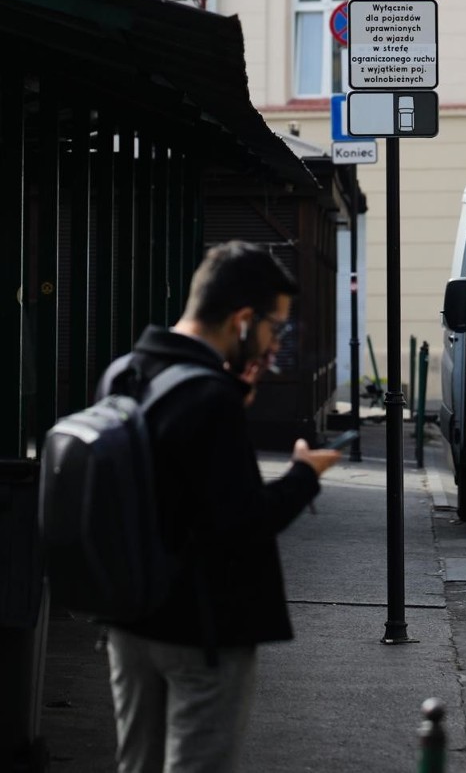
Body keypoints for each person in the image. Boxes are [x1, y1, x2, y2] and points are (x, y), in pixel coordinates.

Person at [97, 240, 340, 773]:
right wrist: (305, 475)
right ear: (243, 320)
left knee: (136, 763)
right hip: (202, 630)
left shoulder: (124, 374)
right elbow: (244, 522)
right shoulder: (210, 398)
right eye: (276, 329)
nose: (275, 348)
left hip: (129, 621)